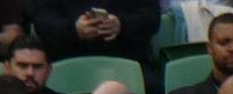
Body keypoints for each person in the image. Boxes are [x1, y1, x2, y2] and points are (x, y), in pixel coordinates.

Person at [27, 0, 156, 65]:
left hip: (127, 59)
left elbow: (151, 18)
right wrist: (74, 29)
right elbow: (43, 23)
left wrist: (121, 24)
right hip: (69, 61)